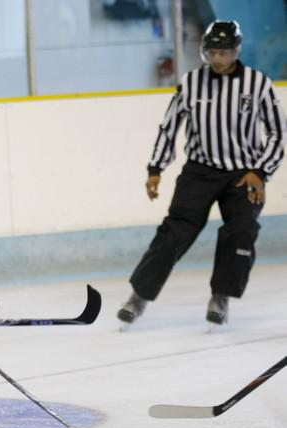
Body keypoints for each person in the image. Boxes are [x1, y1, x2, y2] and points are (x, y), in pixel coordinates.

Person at [118, 20, 285, 327]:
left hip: (243, 174)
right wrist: (156, 168)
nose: (218, 59)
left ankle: (221, 296)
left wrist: (261, 172)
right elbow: (169, 127)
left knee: (242, 229)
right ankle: (138, 296)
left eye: (224, 52)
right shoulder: (192, 83)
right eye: (212, 52)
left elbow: (277, 133)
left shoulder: (257, 84)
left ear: (235, 51)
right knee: (174, 232)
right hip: (199, 172)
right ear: (204, 51)